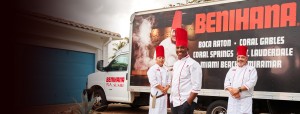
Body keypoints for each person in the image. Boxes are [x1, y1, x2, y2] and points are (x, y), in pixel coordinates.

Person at [170, 28, 202, 114]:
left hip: (185, 103)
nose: (179, 50)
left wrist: (188, 103)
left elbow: (196, 87)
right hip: (174, 103)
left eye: (182, 47)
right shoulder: (176, 64)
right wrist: (171, 100)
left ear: (187, 48)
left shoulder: (193, 64)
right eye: (177, 48)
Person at [224, 45, 258, 114]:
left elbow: (251, 83)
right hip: (232, 101)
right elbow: (226, 82)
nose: (240, 59)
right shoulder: (232, 69)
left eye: (242, 57)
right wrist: (233, 92)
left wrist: (238, 90)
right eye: (238, 57)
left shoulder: (251, 69)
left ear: (246, 58)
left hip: (245, 101)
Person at [147, 45, 171, 114]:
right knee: (154, 112)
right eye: (159, 57)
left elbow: (169, 81)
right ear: (156, 59)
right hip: (155, 97)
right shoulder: (152, 69)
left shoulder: (166, 69)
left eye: (163, 58)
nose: (161, 59)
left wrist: (167, 88)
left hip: (163, 97)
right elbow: (153, 82)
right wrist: (163, 89)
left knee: (163, 112)